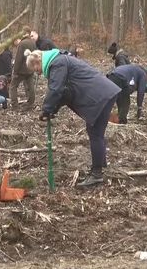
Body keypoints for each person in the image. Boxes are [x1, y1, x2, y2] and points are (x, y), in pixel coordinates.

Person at [26, 49, 120, 188]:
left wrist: (46, 109)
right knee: (96, 133)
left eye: (35, 68)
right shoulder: (60, 61)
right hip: (104, 92)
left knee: (95, 134)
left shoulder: (57, 63)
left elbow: (56, 89)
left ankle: (96, 174)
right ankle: (100, 165)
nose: (36, 72)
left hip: (100, 94)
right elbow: (65, 93)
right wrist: (52, 110)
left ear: (37, 62)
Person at [10, 28, 35, 110]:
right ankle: (30, 103)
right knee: (30, 86)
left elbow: (18, 58)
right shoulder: (33, 42)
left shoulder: (22, 44)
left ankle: (15, 105)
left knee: (13, 86)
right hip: (30, 68)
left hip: (21, 70)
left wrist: (15, 70)